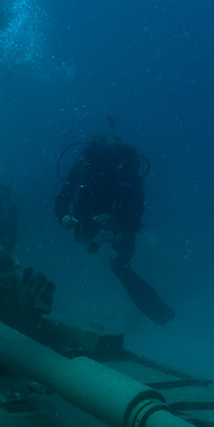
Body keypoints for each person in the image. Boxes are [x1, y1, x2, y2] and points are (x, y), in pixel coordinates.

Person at [54, 135, 176, 325]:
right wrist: (62, 215)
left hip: (119, 215)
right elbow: (64, 195)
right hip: (91, 212)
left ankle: (160, 314)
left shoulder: (124, 171)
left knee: (121, 263)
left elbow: (136, 210)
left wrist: (117, 222)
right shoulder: (83, 164)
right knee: (82, 238)